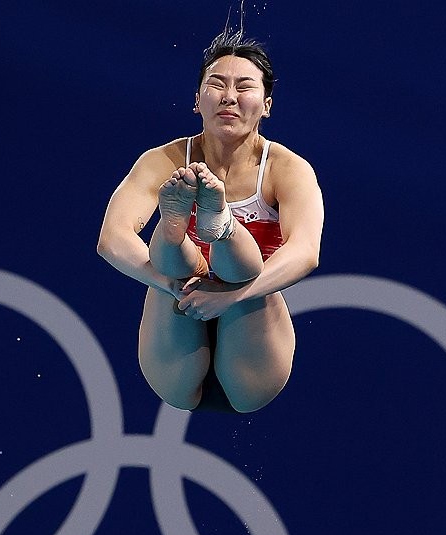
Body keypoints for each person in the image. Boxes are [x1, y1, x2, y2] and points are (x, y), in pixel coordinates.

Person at [96, 32, 324, 412]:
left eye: (244, 87)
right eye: (216, 84)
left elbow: (305, 252)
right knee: (172, 255)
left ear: (266, 105)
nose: (229, 96)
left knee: (242, 268)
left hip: (253, 348)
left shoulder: (288, 169)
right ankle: (181, 235)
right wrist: (168, 284)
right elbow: (111, 238)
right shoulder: (162, 160)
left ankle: (222, 227)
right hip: (179, 321)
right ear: (197, 100)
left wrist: (232, 297)